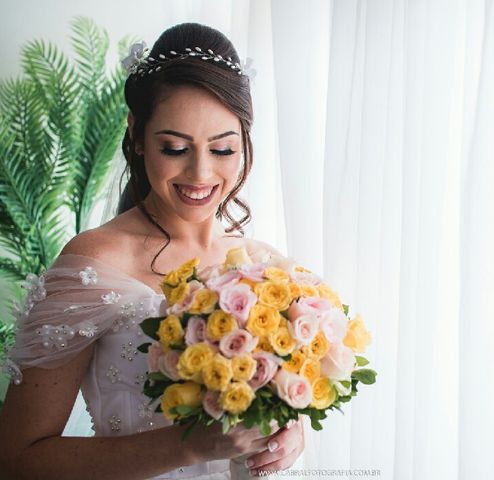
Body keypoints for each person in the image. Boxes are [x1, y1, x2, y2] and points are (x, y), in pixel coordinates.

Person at [0, 22, 306, 479]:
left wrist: (291, 434)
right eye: (175, 147)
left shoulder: (263, 266)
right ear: (137, 136)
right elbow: (16, 459)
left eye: (222, 149)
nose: (200, 173)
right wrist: (186, 445)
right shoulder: (97, 264)